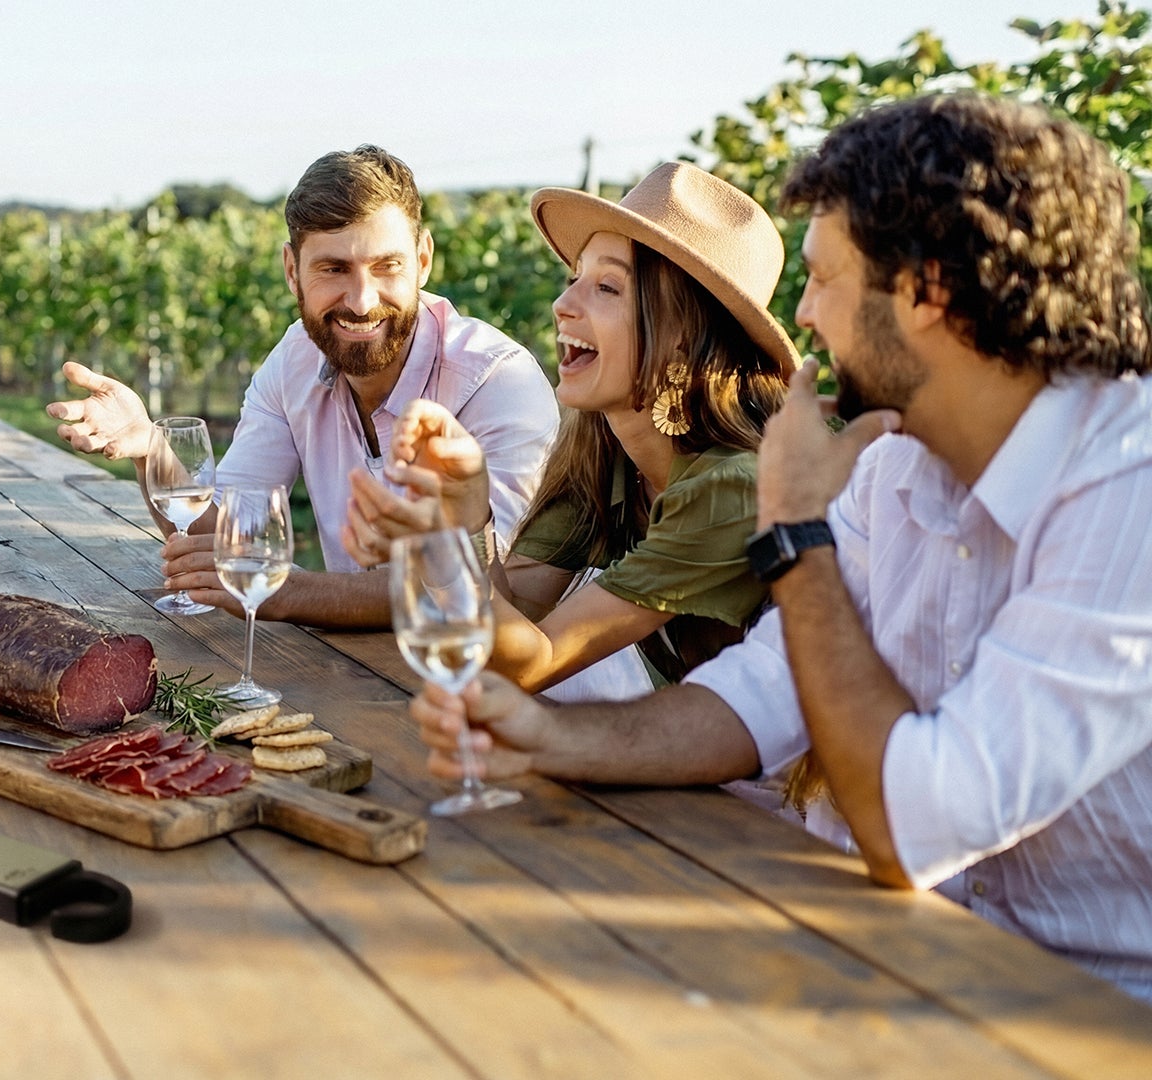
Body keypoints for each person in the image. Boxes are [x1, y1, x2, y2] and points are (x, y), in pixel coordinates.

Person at [414, 93, 1152, 1003]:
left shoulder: (1130, 489)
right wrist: (548, 738)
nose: (803, 314)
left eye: (825, 278)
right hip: (877, 952)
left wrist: (797, 534)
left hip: (1081, 1010)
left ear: (926, 291)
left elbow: (918, 823)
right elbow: (761, 694)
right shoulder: (892, 463)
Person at [46, 145, 558, 628]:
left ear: (423, 260)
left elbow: (499, 590)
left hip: (545, 706)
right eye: (334, 268)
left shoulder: (498, 381)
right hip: (381, 686)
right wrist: (150, 450)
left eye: (387, 266)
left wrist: (295, 593)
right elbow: (228, 543)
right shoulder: (295, 359)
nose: (361, 301)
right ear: (292, 271)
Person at [343, 163, 794, 694]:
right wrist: (466, 516)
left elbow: (535, 661)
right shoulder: (602, 457)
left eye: (606, 287)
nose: (563, 305)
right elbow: (515, 627)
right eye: (574, 278)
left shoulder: (731, 485)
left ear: (683, 334)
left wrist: (446, 541)